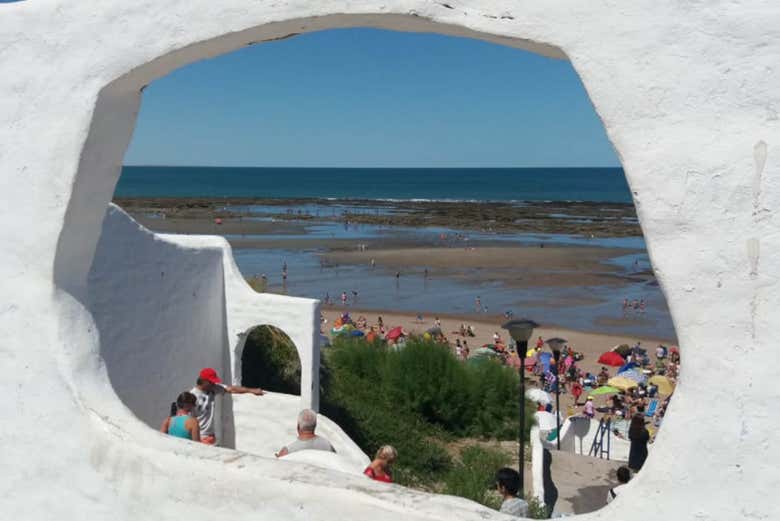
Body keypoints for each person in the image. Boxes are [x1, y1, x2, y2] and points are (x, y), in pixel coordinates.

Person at [190, 368, 264, 445]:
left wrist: (252, 390)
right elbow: (189, 419)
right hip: (200, 437)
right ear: (204, 381)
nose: (214, 384)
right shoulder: (192, 396)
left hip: (211, 436)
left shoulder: (214, 388)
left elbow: (232, 389)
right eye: (211, 382)